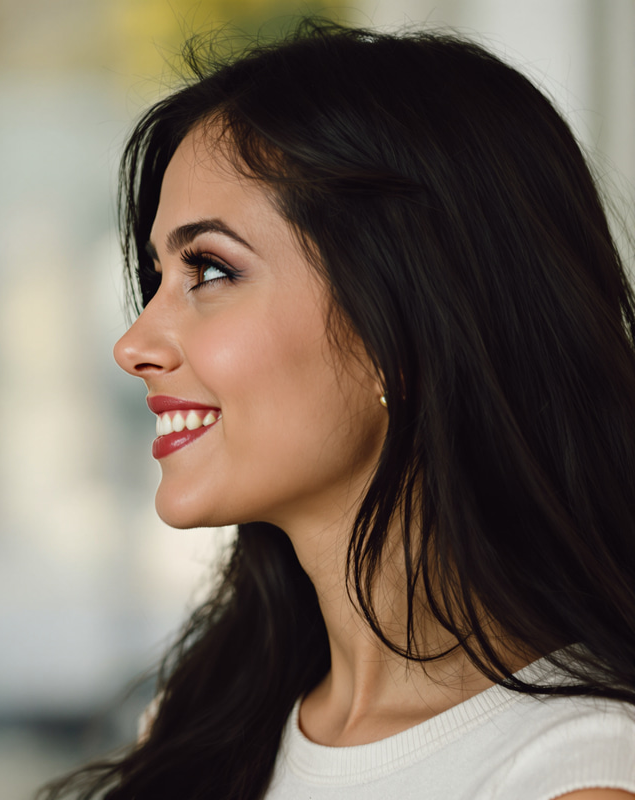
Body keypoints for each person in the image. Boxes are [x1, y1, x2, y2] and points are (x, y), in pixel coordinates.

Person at [42, 18, 635, 800]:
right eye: (156, 276)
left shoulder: (572, 776)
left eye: (211, 269)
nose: (135, 343)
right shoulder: (209, 718)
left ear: (406, 321)